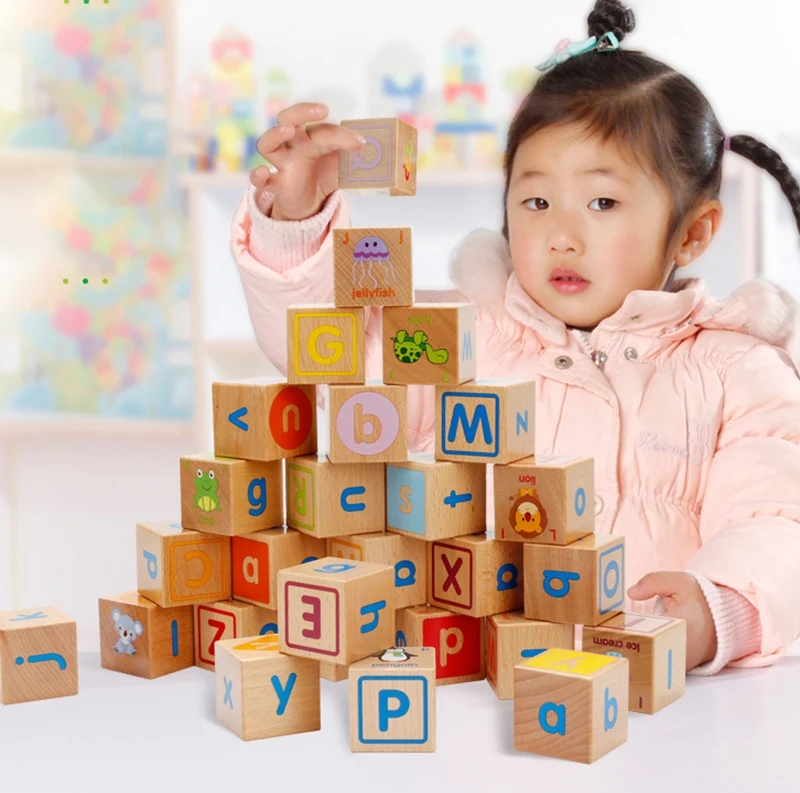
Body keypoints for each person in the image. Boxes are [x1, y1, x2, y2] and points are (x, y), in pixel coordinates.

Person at [230, 0, 800, 674]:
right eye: (535, 201)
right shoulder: (465, 338)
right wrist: (296, 217)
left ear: (693, 232)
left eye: (602, 202)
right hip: (476, 693)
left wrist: (716, 609)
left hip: (657, 705)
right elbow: (330, 352)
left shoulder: (738, 370)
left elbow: (775, 522)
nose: (561, 234)